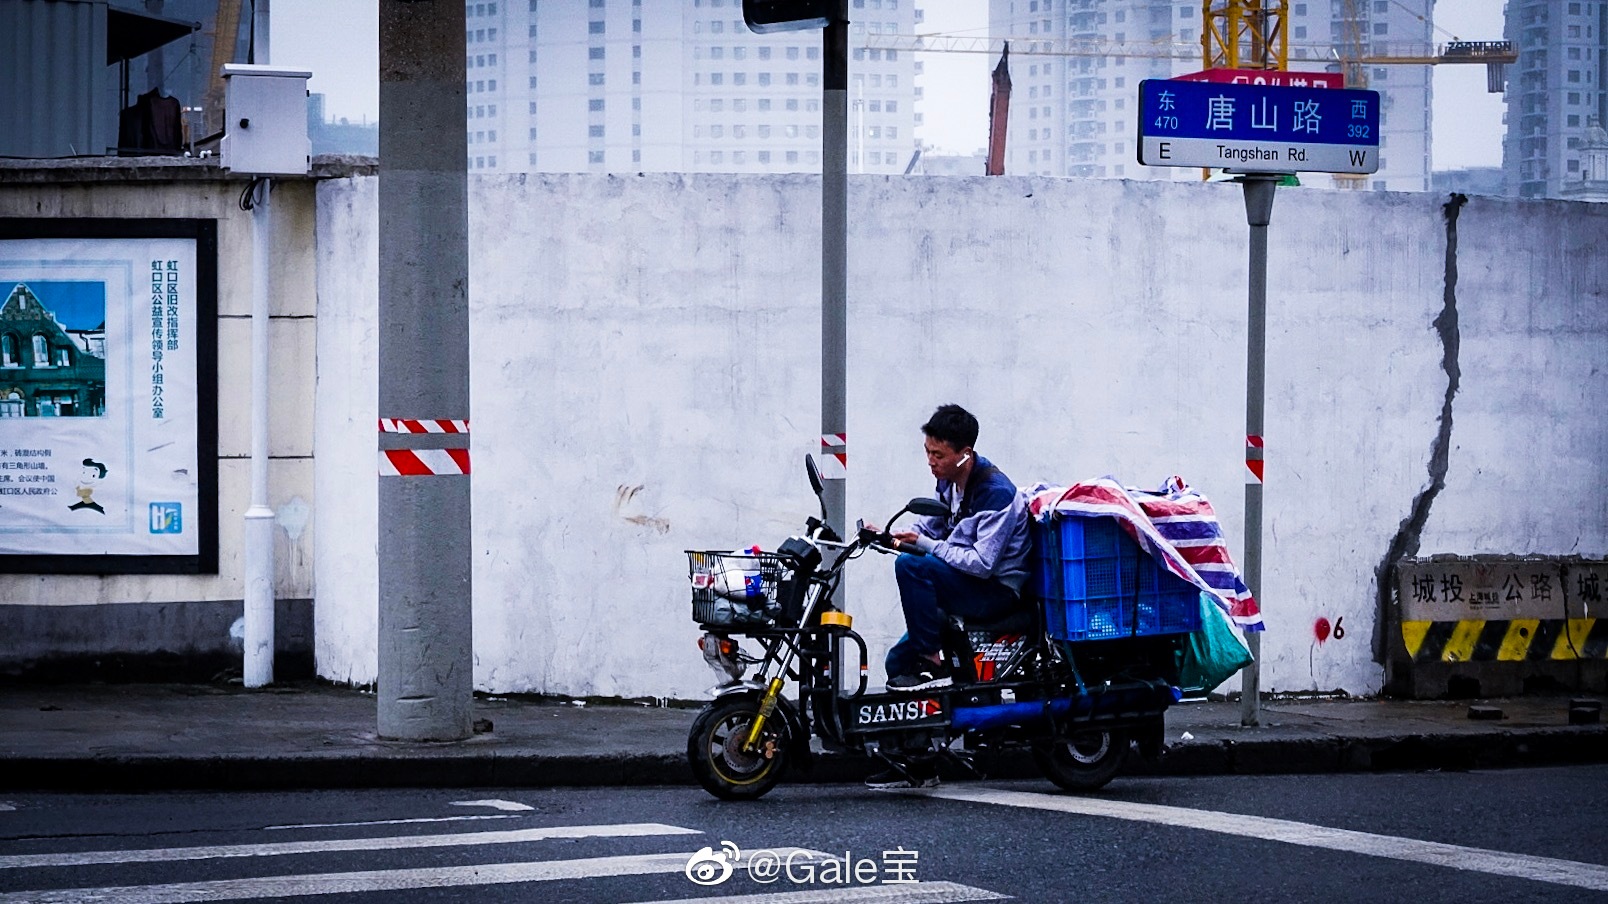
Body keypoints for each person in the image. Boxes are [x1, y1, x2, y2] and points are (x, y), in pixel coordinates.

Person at [883, 404, 1031, 692]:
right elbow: (927, 528)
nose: (930, 461)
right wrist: (891, 535)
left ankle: (932, 664)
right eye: (927, 452)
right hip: (964, 582)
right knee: (897, 663)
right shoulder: (947, 482)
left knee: (910, 564)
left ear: (964, 455)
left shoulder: (996, 494)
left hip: (996, 591)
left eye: (938, 455)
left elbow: (981, 564)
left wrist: (924, 545)